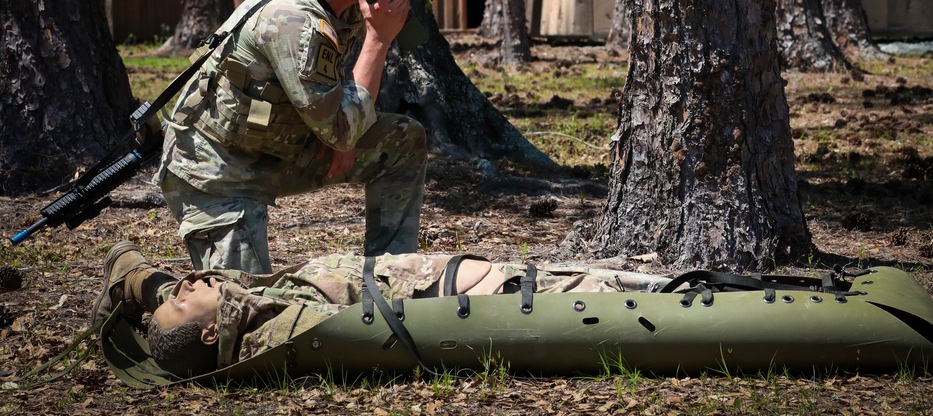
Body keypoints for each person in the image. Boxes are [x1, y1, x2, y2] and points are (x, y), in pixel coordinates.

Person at [155, 0, 438, 273]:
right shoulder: (295, 17)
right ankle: (131, 281)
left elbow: (335, 110)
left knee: (402, 138)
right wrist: (378, 40)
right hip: (218, 170)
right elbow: (341, 132)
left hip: (276, 146)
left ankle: (390, 281)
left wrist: (341, 132)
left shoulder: (348, 1)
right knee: (248, 314)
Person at [93, 242, 670, 377]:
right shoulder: (284, 332)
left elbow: (131, 266)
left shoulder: (242, 304)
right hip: (496, 293)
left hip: (458, 275)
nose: (187, 279)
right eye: (182, 295)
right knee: (658, 297)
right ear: (215, 329)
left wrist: (142, 294)